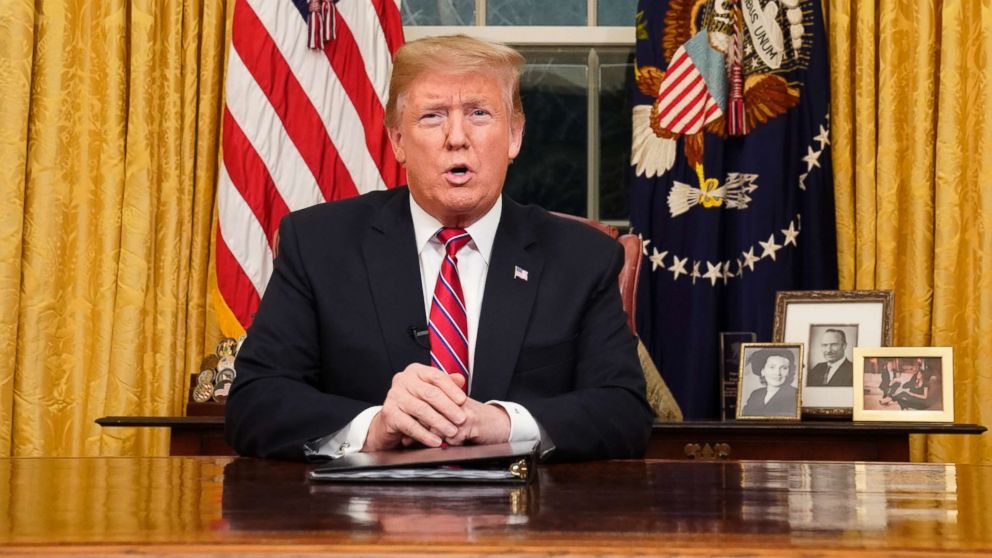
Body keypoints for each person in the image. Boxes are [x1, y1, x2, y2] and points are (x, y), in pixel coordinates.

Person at [224, 35, 654, 462]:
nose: (456, 137)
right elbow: (255, 402)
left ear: (515, 137)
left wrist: (503, 424)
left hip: (524, 521)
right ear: (396, 141)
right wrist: (374, 428)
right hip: (361, 520)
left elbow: (623, 411)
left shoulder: (583, 258)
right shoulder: (319, 245)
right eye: (432, 117)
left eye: (479, 114)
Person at [740, 348, 799, 417]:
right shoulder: (756, 394)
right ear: (763, 371)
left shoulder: (795, 395)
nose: (777, 373)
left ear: (789, 372)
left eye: (784, 368)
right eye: (772, 367)